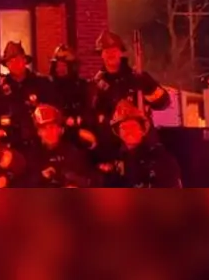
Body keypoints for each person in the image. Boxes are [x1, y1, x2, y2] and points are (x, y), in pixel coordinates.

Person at [90, 30, 171, 173]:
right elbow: (95, 115)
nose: (110, 54)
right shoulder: (97, 85)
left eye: (114, 50)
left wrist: (148, 87)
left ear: (121, 52)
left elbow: (164, 103)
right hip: (114, 149)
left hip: (144, 144)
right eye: (106, 51)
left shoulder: (138, 77)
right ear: (101, 54)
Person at [108, 100, 182, 188]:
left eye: (133, 126)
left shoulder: (161, 158)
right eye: (124, 127)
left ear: (143, 131)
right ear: (118, 133)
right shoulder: (115, 157)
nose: (129, 131)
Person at [0, 41, 47, 153]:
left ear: (25, 60)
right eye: (10, 61)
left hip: (38, 143)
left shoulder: (41, 83)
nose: (15, 63)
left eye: (18, 59)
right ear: (6, 65)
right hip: (10, 145)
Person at [25, 104, 100, 188]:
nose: (50, 131)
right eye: (44, 128)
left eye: (52, 127)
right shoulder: (32, 156)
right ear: (38, 132)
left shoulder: (73, 152)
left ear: (60, 130)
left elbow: (89, 178)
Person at [49, 44, 98, 151]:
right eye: (58, 65)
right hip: (57, 137)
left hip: (82, 137)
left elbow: (91, 111)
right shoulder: (48, 87)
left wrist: (80, 121)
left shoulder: (83, 86)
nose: (60, 69)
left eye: (64, 65)